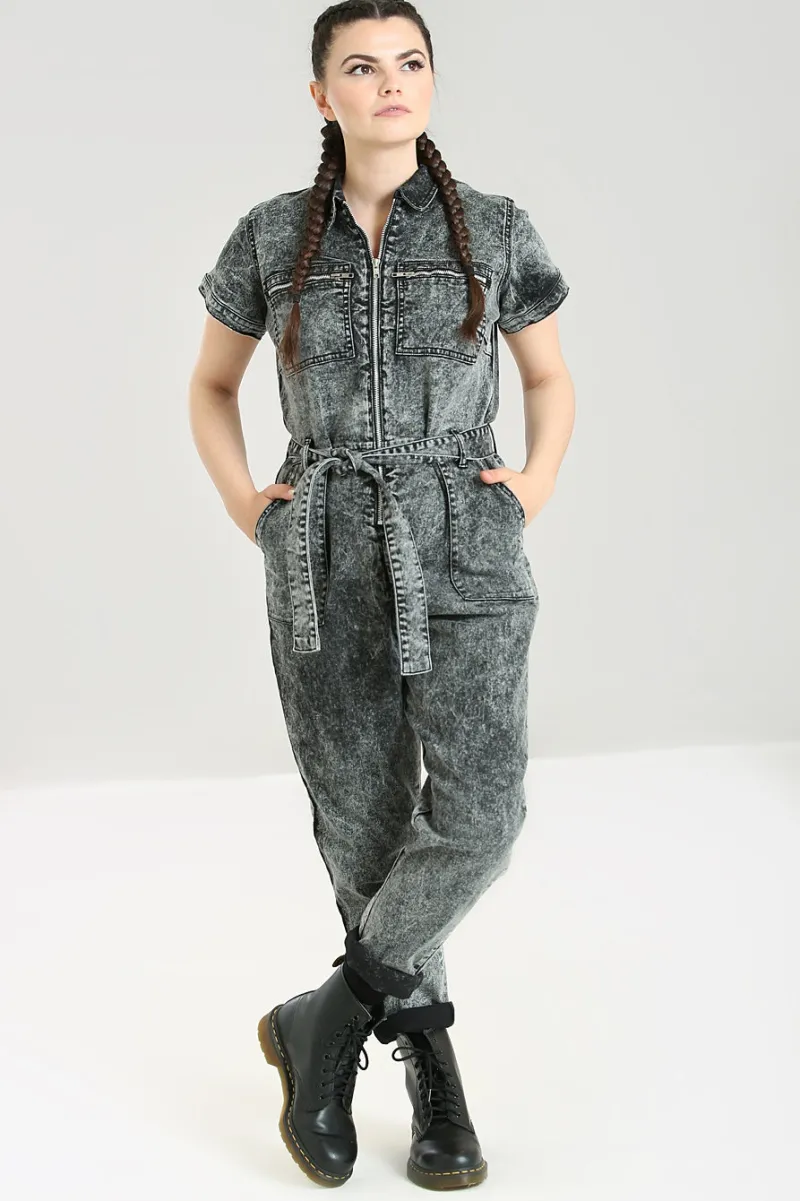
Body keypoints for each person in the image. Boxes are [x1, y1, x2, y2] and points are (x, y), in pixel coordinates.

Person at [190, 0, 574, 1189]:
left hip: (462, 539)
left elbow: (547, 377)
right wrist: (248, 502)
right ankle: (434, 1076)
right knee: (362, 830)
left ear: (431, 82)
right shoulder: (273, 236)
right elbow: (211, 385)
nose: (389, 82)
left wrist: (530, 485)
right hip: (319, 549)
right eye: (360, 67)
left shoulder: (492, 228)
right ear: (323, 96)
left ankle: (330, 1013)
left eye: (409, 62)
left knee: (479, 813)